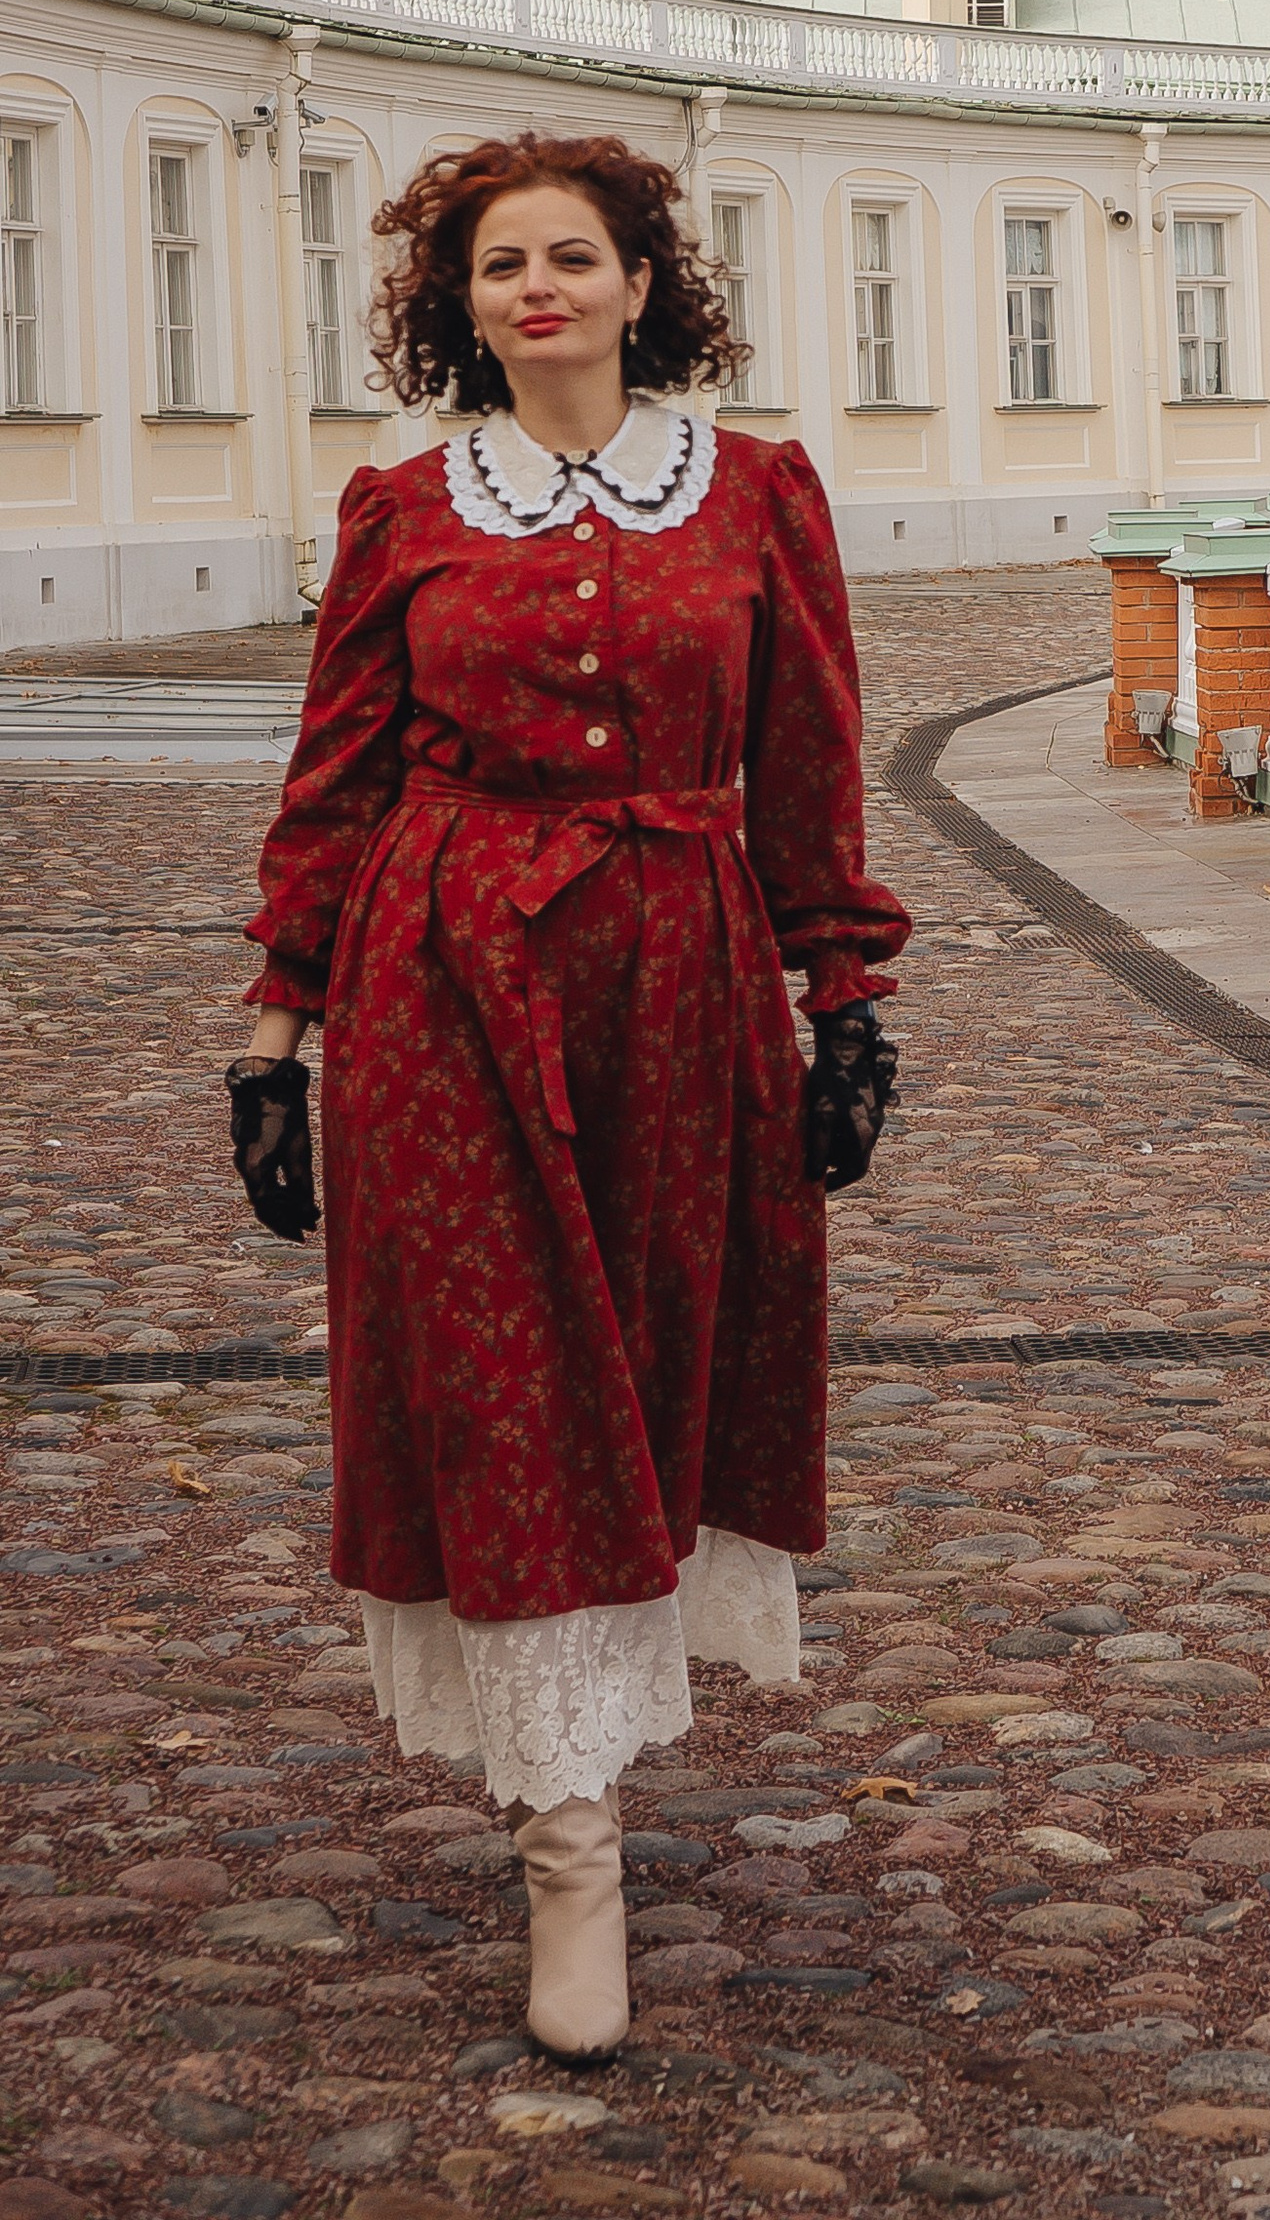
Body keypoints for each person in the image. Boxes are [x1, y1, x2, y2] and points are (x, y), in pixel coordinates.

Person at [226, 132, 908, 2064]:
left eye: (572, 259)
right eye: (498, 265)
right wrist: (278, 1033)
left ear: (639, 285)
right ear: (460, 307)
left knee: (658, 1372)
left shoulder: (759, 494)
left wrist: (842, 996)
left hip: (684, 990)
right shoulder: (404, 507)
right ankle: (569, 1860)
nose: (537, 289)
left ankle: (595, 1771)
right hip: (448, 989)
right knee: (510, 1391)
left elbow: (809, 759)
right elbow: (337, 773)